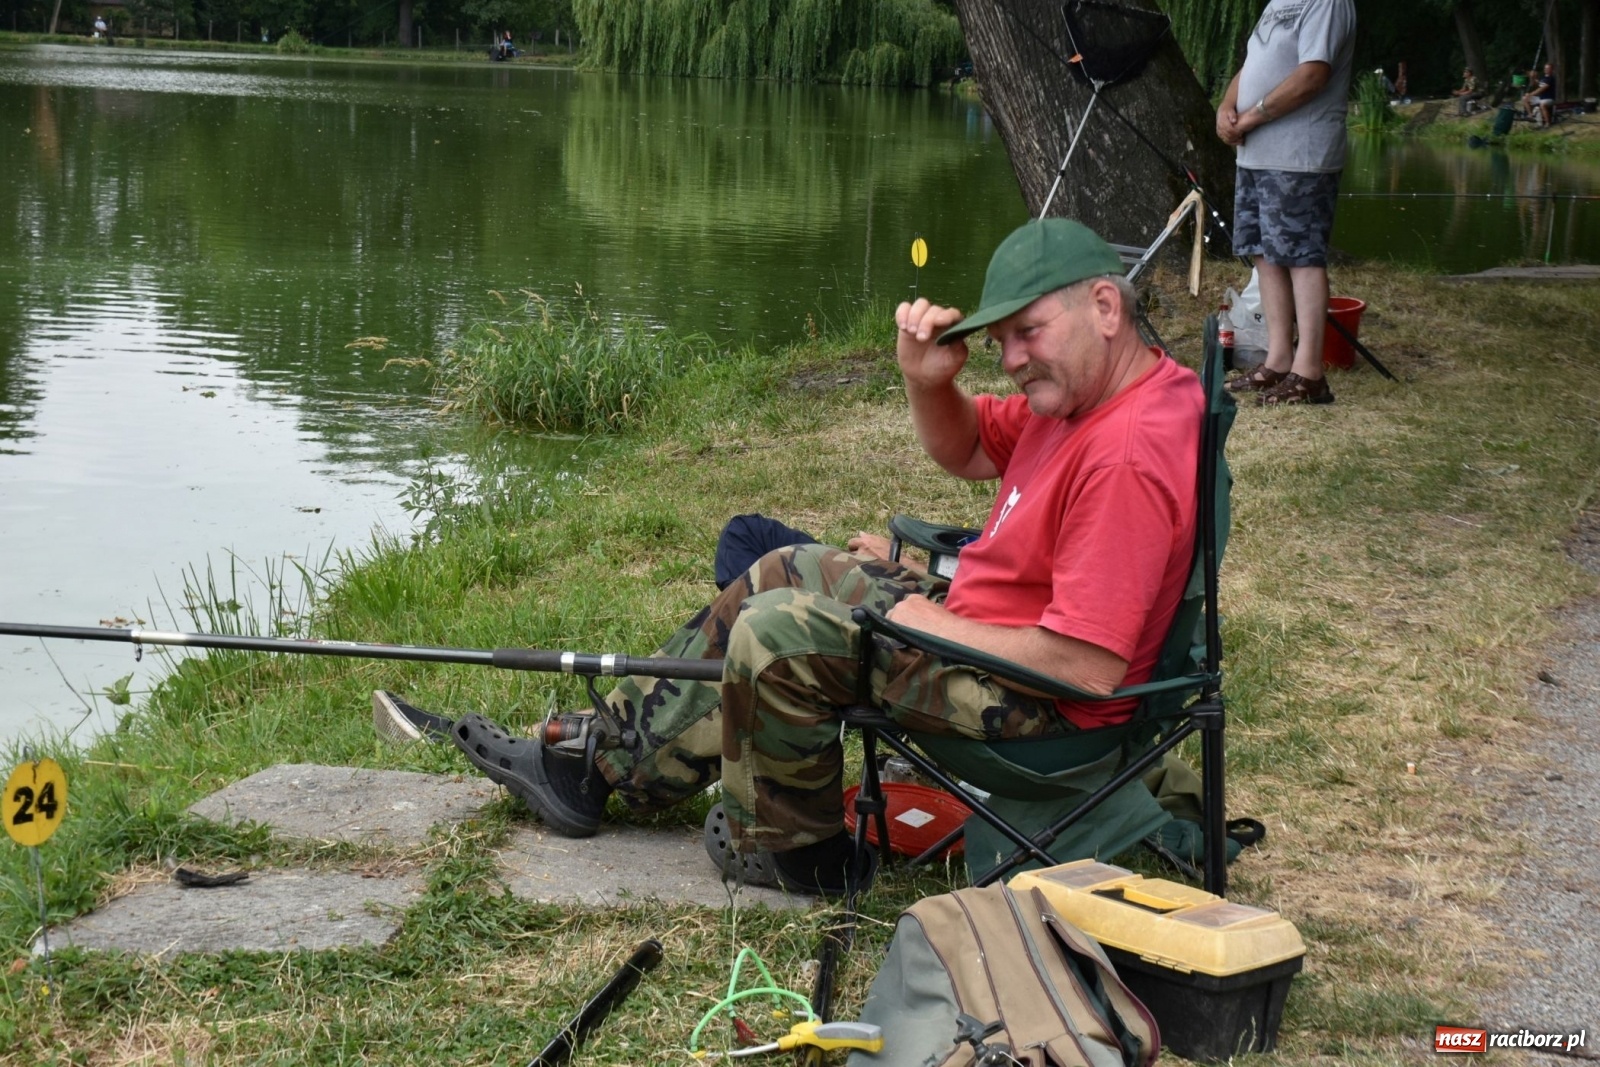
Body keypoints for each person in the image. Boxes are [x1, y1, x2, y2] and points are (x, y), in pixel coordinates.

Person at [384, 219, 1203, 895]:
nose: (1014, 358)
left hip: (1041, 707)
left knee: (776, 633)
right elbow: (969, 446)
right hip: (992, 638)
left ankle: (795, 853)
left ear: (1104, 305)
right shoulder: (1093, 397)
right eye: (1002, 341)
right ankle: (596, 756)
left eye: (1028, 333)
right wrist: (925, 379)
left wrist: (928, 620)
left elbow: (1087, 666)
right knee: (777, 567)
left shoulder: (1124, 450)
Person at [1216, 0, 1356, 406]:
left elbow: (1313, 74)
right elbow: (1251, 65)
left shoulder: (1326, 3)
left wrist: (1253, 116)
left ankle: (1310, 374)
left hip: (1301, 158)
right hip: (1256, 156)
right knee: (1265, 255)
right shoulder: (1277, 4)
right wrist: (1227, 107)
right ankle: (1279, 360)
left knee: (1302, 256)